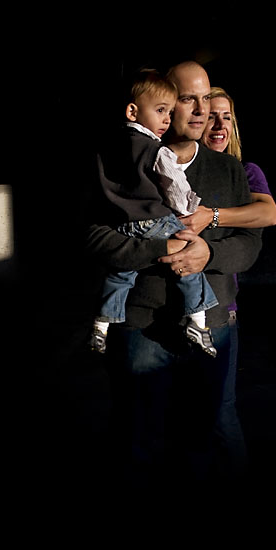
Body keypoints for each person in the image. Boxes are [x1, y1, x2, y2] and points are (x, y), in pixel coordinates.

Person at [85, 61, 263, 487]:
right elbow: (93, 237)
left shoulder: (227, 168)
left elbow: (250, 246)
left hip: (213, 327)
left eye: (206, 99)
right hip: (141, 327)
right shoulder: (119, 157)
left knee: (203, 440)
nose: (201, 111)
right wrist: (158, 248)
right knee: (137, 440)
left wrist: (207, 253)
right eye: (188, 100)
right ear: (161, 104)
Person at [185, 86, 276, 480]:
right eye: (212, 115)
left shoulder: (244, 171)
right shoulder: (178, 166)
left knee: (220, 411)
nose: (220, 123)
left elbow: (267, 213)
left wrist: (214, 217)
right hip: (174, 302)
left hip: (221, 307)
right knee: (180, 410)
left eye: (228, 117)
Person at [90, 69, 218, 357]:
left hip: (121, 225)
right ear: (133, 111)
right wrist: (189, 209)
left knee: (121, 273)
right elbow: (175, 186)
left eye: (170, 112)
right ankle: (198, 321)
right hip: (154, 221)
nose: (166, 120)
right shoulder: (156, 150)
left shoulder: (106, 148)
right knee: (189, 259)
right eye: (161, 110)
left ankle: (102, 324)